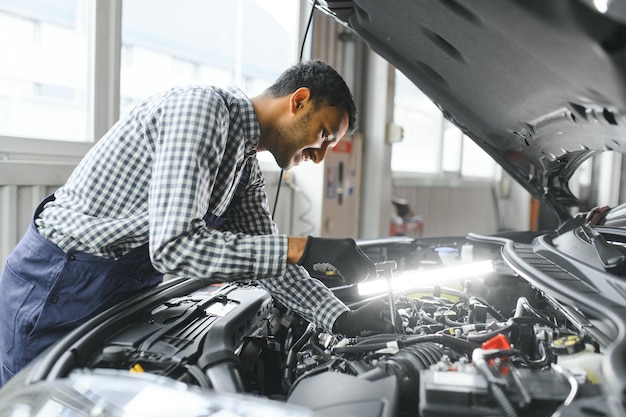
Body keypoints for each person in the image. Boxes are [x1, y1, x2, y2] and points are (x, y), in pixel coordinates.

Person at [0, 60, 398, 386]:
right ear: (299, 101)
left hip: (119, 286)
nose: (320, 156)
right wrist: (304, 247)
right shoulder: (203, 111)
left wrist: (339, 315)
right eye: (324, 135)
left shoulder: (244, 165)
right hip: (60, 282)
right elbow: (173, 246)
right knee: (30, 400)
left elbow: (269, 261)